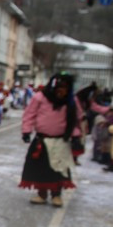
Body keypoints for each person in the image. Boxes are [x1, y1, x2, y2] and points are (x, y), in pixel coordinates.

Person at [20, 73, 83, 208]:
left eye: (65, 88)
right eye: (59, 87)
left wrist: (76, 135)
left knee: (59, 169)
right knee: (41, 168)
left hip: (61, 141)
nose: (61, 91)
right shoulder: (40, 98)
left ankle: (56, 195)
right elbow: (29, 114)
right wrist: (26, 130)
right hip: (42, 140)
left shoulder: (71, 102)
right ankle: (41, 193)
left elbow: (75, 121)